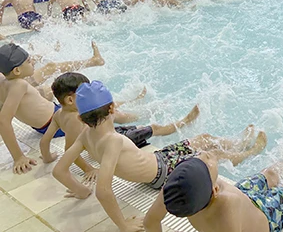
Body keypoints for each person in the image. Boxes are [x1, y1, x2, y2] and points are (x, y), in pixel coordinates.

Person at [53, 81, 268, 232]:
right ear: (112, 108)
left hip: (159, 159)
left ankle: (238, 142)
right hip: (165, 173)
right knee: (212, 155)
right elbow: (103, 190)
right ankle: (249, 151)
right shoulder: (113, 141)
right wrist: (123, 225)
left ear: (80, 118)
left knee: (203, 139)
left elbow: (59, 170)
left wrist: (81, 191)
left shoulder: (85, 135)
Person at [40, 72, 200, 177]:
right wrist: (88, 169)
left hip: (105, 133)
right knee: (151, 127)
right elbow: (69, 150)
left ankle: (137, 103)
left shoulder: (60, 113)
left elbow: (45, 140)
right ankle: (183, 121)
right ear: (70, 99)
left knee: (115, 112)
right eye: (84, 93)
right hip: (111, 141)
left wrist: (47, 157)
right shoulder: (76, 120)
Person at [143, 136, 283, 232]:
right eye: (207, 163)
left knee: (269, 174)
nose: (204, 154)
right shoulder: (227, 205)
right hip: (266, 215)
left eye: (196, 157)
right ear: (215, 189)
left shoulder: (176, 188)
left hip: (244, 195)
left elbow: (150, 222)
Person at [0, 43, 104, 173]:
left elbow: (44, 142)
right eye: (29, 61)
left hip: (49, 118)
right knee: (103, 110)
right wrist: (18, 157)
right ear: (17, 71)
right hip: (54, 120)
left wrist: (47, 156)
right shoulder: (19, 85)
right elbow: (3, 121)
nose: (33, 62)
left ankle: (95, 61)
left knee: (51, 78)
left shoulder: (4, 79)